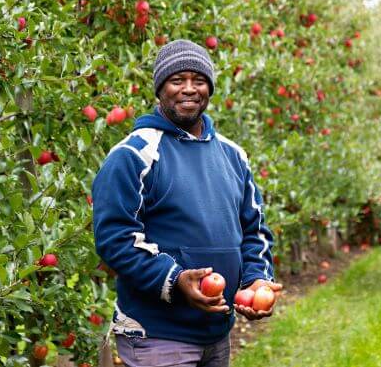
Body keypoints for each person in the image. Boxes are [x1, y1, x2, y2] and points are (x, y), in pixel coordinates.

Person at [92, 39, 282, 366]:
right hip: (157, 334)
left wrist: (256, 280)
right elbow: (115, 240)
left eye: (199, 81)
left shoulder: (233, 156)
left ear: (210, 88)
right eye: (177, 81)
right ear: (160, 89)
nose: (189, 89)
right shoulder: (134, 154)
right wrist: (176, 280)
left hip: (217, 332)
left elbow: (255, 231)